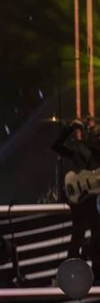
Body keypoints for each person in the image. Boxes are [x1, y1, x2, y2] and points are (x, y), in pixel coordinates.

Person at [52, 116, 100, 278]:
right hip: (80, 199)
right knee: (78, 234)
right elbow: (57, 146)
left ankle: (97, 276)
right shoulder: (80, 148)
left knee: (96, 235)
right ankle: (71, 274)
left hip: (95, 200)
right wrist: (70, 128)